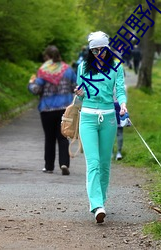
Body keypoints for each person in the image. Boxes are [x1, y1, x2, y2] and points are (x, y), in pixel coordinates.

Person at [74, 31, 127, 223]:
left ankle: (101, 201)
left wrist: (123, 104)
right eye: (94, 50)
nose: (98, 53)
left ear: (107, 48)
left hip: (109, 118)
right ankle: (96, 205)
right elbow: (80, 96)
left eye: (101, 50)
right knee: (93, 163)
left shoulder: (116, 67)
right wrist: (79, 92)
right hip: (87, 117)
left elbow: (120, 89)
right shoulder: (83, 67)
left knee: (105, 164)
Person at [28, 45, 77, 175]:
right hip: (64, 109)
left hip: (47, 109)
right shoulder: (68, 70)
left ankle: (49, 166)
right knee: (63, 137)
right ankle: (64, 163)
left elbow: (36, 90)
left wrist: (31, 83)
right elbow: (75, 87)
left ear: (47, 57)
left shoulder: (43, 71)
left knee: (49, 138)